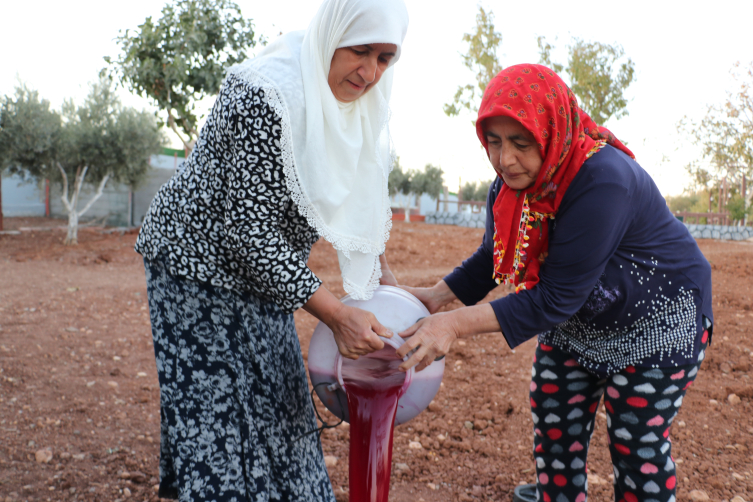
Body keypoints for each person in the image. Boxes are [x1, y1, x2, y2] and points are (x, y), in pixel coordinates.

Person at [396, 64, 713, 502]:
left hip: (655, 324)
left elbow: (555, 297)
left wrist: (452, 325)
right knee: (555, 431)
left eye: (520, 143)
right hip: (581, 321)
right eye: (493, 141)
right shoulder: (511, 184)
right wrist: (438, 297)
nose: (504, 159)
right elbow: (497, 256)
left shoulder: (602, 180)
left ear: (551, 131)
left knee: (637, 443)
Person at [134, 0, 409, 499]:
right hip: (195, 266)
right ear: (332, 34)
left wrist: (383, 282)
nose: (370, 72)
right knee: (218, 408)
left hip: (265, 269)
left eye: (385, 57)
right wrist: (337, 315)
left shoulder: (357, 103)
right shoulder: (266, 94)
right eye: (360, 51)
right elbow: (247, 231)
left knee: (280, 403)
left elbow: (359, 195)